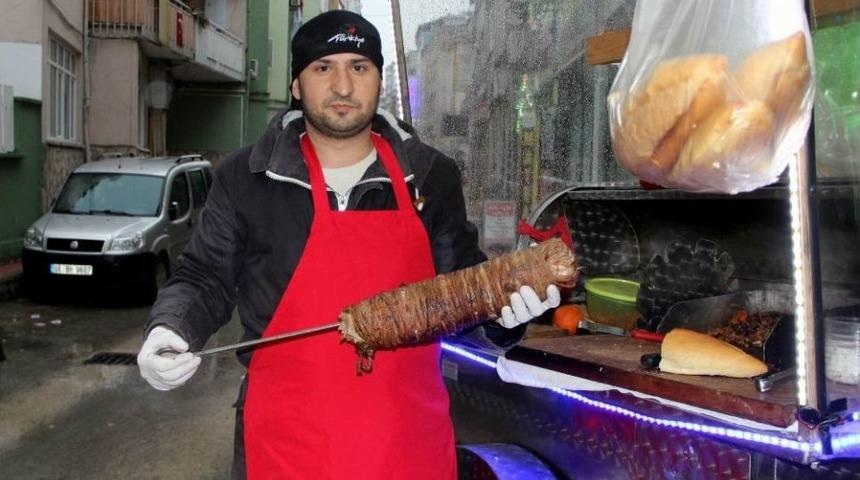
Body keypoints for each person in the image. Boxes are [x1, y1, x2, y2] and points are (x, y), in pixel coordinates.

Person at [136, 10, 559, 480]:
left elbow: (462, 295)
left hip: (406, 447)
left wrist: (503, 319)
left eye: (358, 67)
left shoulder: (432, 177)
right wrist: (172, 329)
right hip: (285, 448)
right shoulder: (246, 177)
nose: (342, 86)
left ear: (379, 79)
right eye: (323, 68)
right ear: (296, 84)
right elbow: (205, 276)